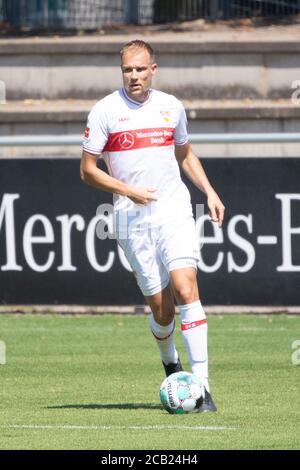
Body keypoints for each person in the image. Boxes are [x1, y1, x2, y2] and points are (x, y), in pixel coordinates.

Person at [80, 39, 225, 412]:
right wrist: (128, 190)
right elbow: (87, 171)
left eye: (140, 69)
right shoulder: (104, 111)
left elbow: (185, 154)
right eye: (127, 69)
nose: (134, 76)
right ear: (121, 71)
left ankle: (203, 386)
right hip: (131, 218)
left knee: (186, 286)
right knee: (162, 310)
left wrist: (208, 190)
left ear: (153, 70)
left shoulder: (171, 107)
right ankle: (169, 360)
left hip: (173, 208)